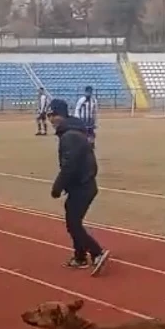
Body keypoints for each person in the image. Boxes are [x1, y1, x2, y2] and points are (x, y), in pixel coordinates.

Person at [47, 98, 110, 275]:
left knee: (74, 224)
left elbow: (70, 165)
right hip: (81, 185)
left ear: (60, 114)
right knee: (73, 222)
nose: (50, 119)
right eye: (49, 116)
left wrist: (57, 187)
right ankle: (80, 257)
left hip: (83, 186)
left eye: (52, 115)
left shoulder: (70, 136)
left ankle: (97, 252)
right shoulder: (71, 132)